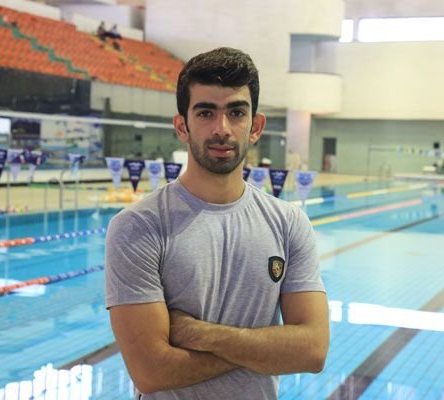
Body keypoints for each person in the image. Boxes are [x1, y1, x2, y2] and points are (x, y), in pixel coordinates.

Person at [105, 47, 329, 400]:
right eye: (206, 112)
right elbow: (151, 372)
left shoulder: (289, 224)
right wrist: (264, 350)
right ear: (182, 126)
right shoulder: (138, 227)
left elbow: (312, 351)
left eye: (236, 113)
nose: (221, 129)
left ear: (256, 126)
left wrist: (198, 334)